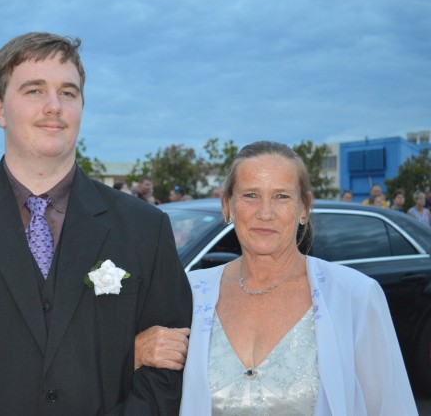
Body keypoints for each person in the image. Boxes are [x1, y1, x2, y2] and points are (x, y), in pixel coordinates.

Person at [0, 32, 192, 415]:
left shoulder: (145, 227)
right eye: (34, 90)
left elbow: (170, 363)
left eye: (68, 92)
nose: (54, 106)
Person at [177, 141, 416, 415]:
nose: (265, 213)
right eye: (251, 195)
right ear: (227, 205)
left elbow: (390, 407)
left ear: (304, 207)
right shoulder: (192, 293)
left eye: (281, 196)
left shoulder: (355, 296)